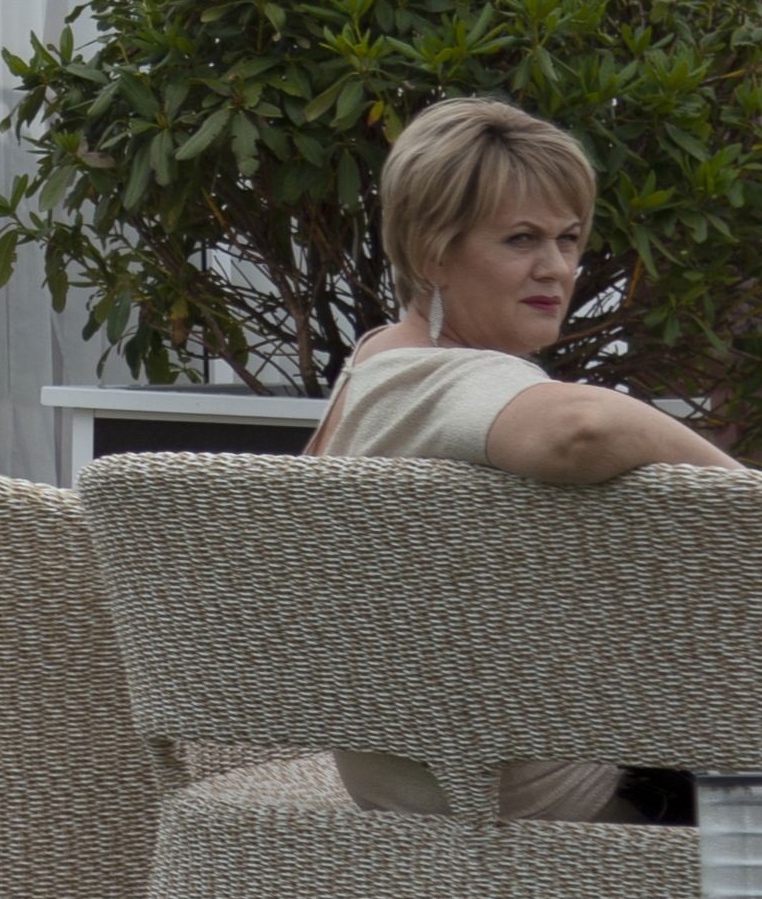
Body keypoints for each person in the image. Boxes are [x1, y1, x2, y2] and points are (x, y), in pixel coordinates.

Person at [305, 94, 733, 821]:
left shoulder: (377, 358)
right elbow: (581, 428)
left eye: (568, 239)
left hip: (415, 777)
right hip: (523, 796)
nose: (557, 268)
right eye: (521, 240)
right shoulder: (441, 379)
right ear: (433, 253)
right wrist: (753, 496)